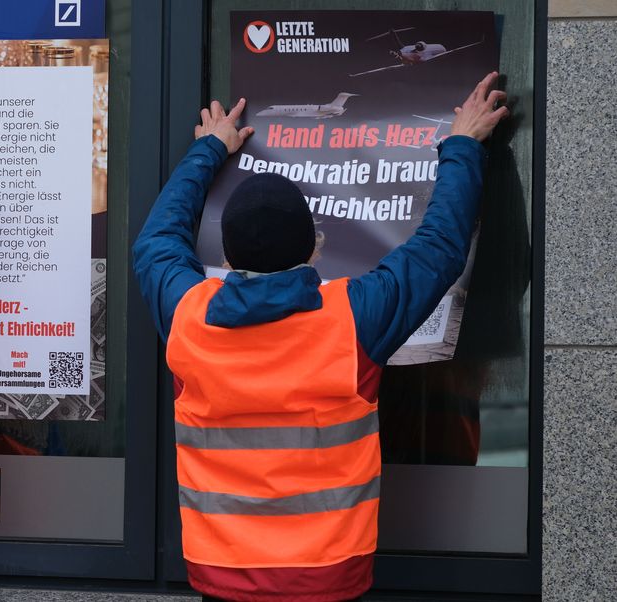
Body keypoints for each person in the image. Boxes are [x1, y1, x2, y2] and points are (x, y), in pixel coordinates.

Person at [132, 72, 508, 602]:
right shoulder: (351, 317)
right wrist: (463, 144)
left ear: (228, 260)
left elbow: (156, 242)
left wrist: (209, 149)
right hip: (329, 578)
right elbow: (439, 248)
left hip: (222, 576)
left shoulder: (188, 316)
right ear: (314, 252)